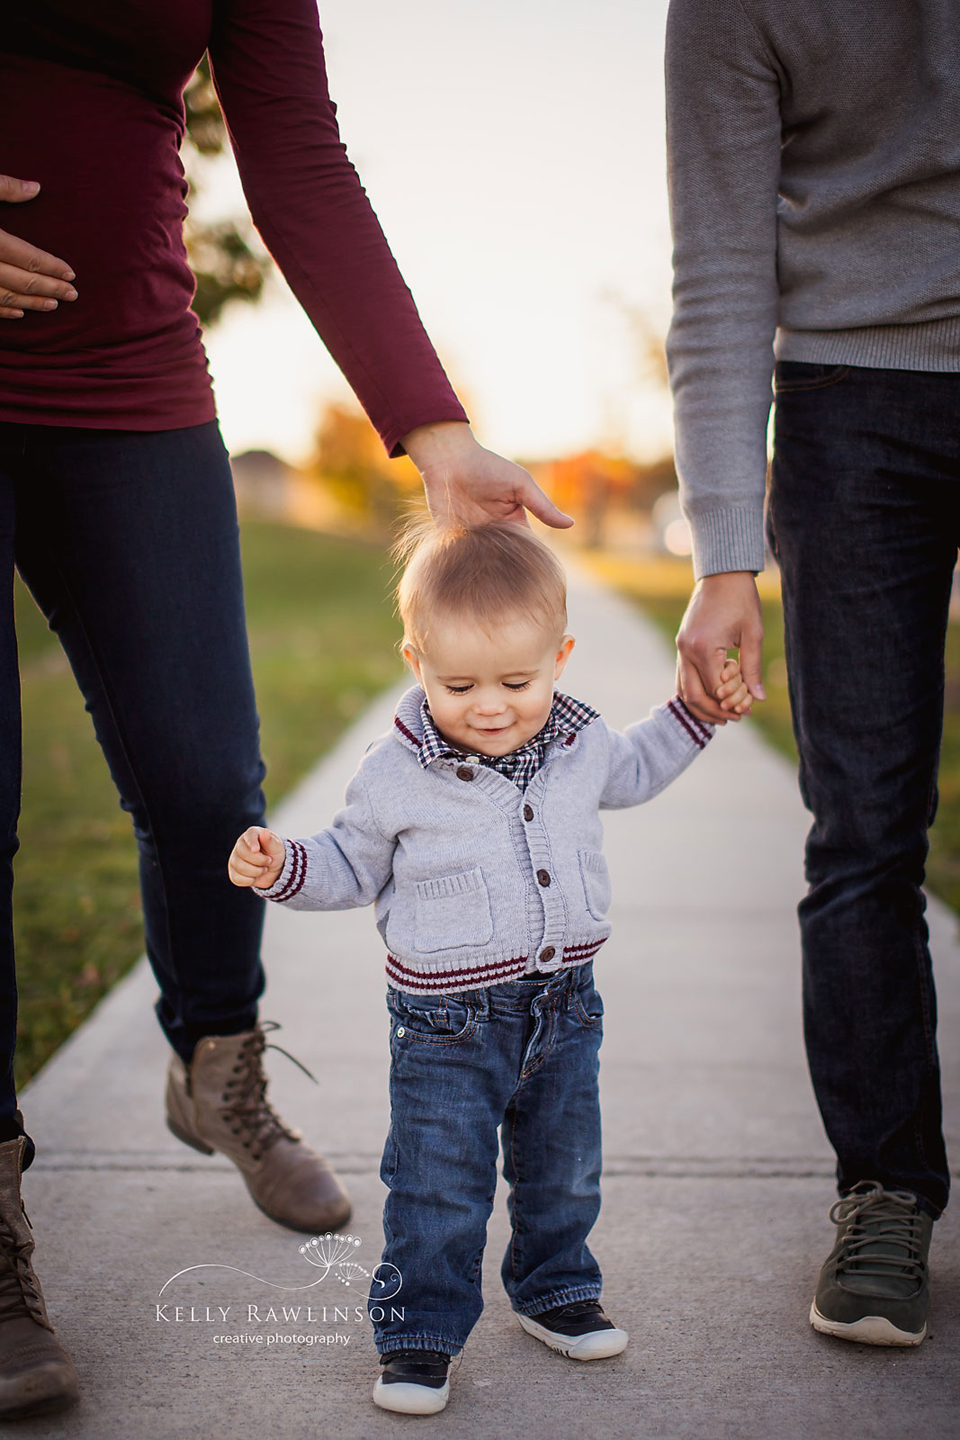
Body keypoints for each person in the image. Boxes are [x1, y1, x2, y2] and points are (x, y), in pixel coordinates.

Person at [0, 0, 572, 1419]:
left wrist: (430, 424)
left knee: (209, 783)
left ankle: (218, 1061)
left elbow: (299, 156)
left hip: (133, 378)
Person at [228, 521, 751, 1415]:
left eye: (519, 680)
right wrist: (285, 867)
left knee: (564, 1167)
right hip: (446, 1028)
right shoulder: (394, 774)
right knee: (438, 1184)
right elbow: (352, 864)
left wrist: (700, 710)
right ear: (415, 659)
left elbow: (638, 766)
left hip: (566, 1006)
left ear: (561, 656)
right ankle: (418, 1336)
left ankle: (554, 1290)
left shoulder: (582, 748)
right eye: (458, 683)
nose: (492, 705)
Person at [664, 0, 957, 1348]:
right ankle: (886, 1186)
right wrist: (728, 553)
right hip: (850, 399)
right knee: (864, 830)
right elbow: (721, 271)